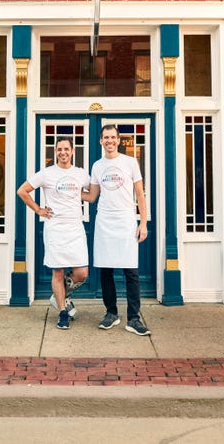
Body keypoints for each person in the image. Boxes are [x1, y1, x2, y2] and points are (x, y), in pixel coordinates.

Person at [16, 137, 90, 330]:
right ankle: (62, 312)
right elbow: (22, 191)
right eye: (59, 149)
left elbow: (91, 194)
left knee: (82, 273)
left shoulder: (81, 174)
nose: (63, 152)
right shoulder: (47, 173)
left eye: (66, 149)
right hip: (55, 228)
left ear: (73, 151)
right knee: (58, 271)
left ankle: (59, 297)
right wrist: (39, 210)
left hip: (75, 228)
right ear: (55, 152)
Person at [84, 124, 150, 336]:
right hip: (104, 221)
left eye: (113, 137)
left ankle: (133, 318)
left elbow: (140, 194)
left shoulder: (130, 162)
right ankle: (111, 313)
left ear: (119, 140)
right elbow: (92, 196)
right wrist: (67, 190)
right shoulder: (97, 166)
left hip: (126, 221)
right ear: (101, 141)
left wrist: (143, 223)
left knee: (131, 272)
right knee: (106, 270)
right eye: (106, 137)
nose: (109, 141)